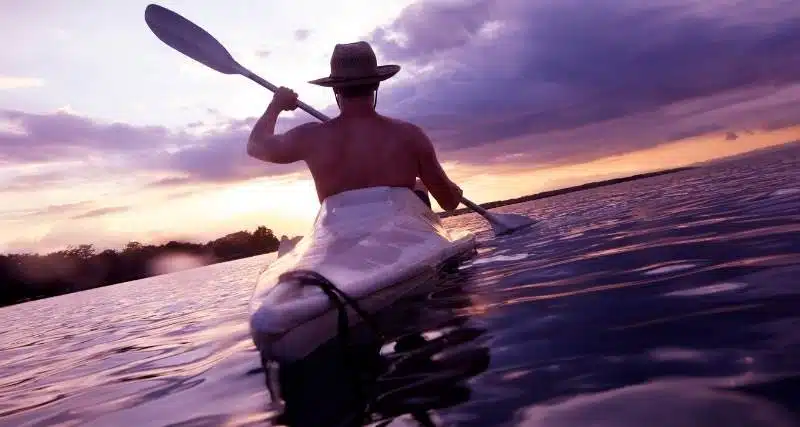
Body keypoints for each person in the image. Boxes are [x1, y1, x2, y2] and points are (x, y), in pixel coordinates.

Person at [246, 41, 463, 211]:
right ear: (376, 84)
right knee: (418, 189)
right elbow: (448, 202)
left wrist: (276, 106)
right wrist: (454, 191)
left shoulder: (310, 137)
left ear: (336, 90)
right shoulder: (410, 135)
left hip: (341, 244)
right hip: (401, 240)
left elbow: (255, 146)